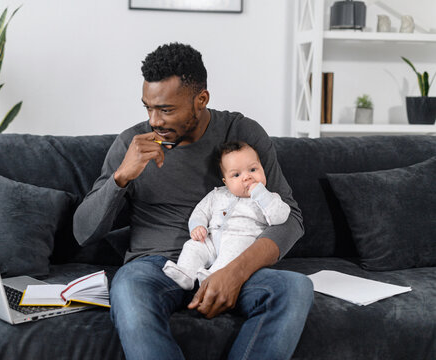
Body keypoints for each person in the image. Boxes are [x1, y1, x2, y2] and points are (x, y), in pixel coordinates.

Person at [73, 42, 313, 360]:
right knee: (128, 289)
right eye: (148, 107)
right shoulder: (132, 144)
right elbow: (82, 233)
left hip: (232, 258)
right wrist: (121, 178)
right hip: (155, 266)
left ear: (201, 100)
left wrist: (235, 272)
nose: (154, 120)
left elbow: (291, 218)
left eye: (167, 110)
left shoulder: (242, 134)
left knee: (295, 289)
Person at [163, 141, 291, 291]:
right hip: (210, 239)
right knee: (193, 246)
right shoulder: (217, 194)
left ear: (262, 169)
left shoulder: (269, 197)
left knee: (233, 252)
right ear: (226, 181)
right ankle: (186, 273)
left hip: (242, 240)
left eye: (253, 169)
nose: (247, 177)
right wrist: (198, 226)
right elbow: (200, 212)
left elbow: (280, 217)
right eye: (236, 174)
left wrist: (260, 194)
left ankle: (213, 277)